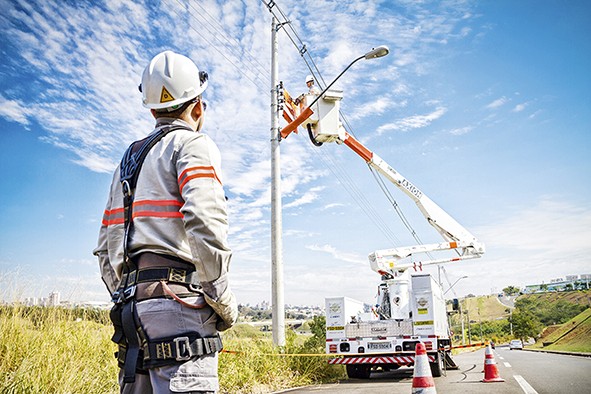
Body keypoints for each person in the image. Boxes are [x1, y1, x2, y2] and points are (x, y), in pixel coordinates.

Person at [93, 50, 238, 393]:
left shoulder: (127, 162)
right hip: (181, 307)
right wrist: (222, 300)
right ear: (198, 107)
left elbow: (104, 249)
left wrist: (127, 293)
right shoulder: (193, 145)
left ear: (152, 108)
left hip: (131, 311)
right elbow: (205, 224)